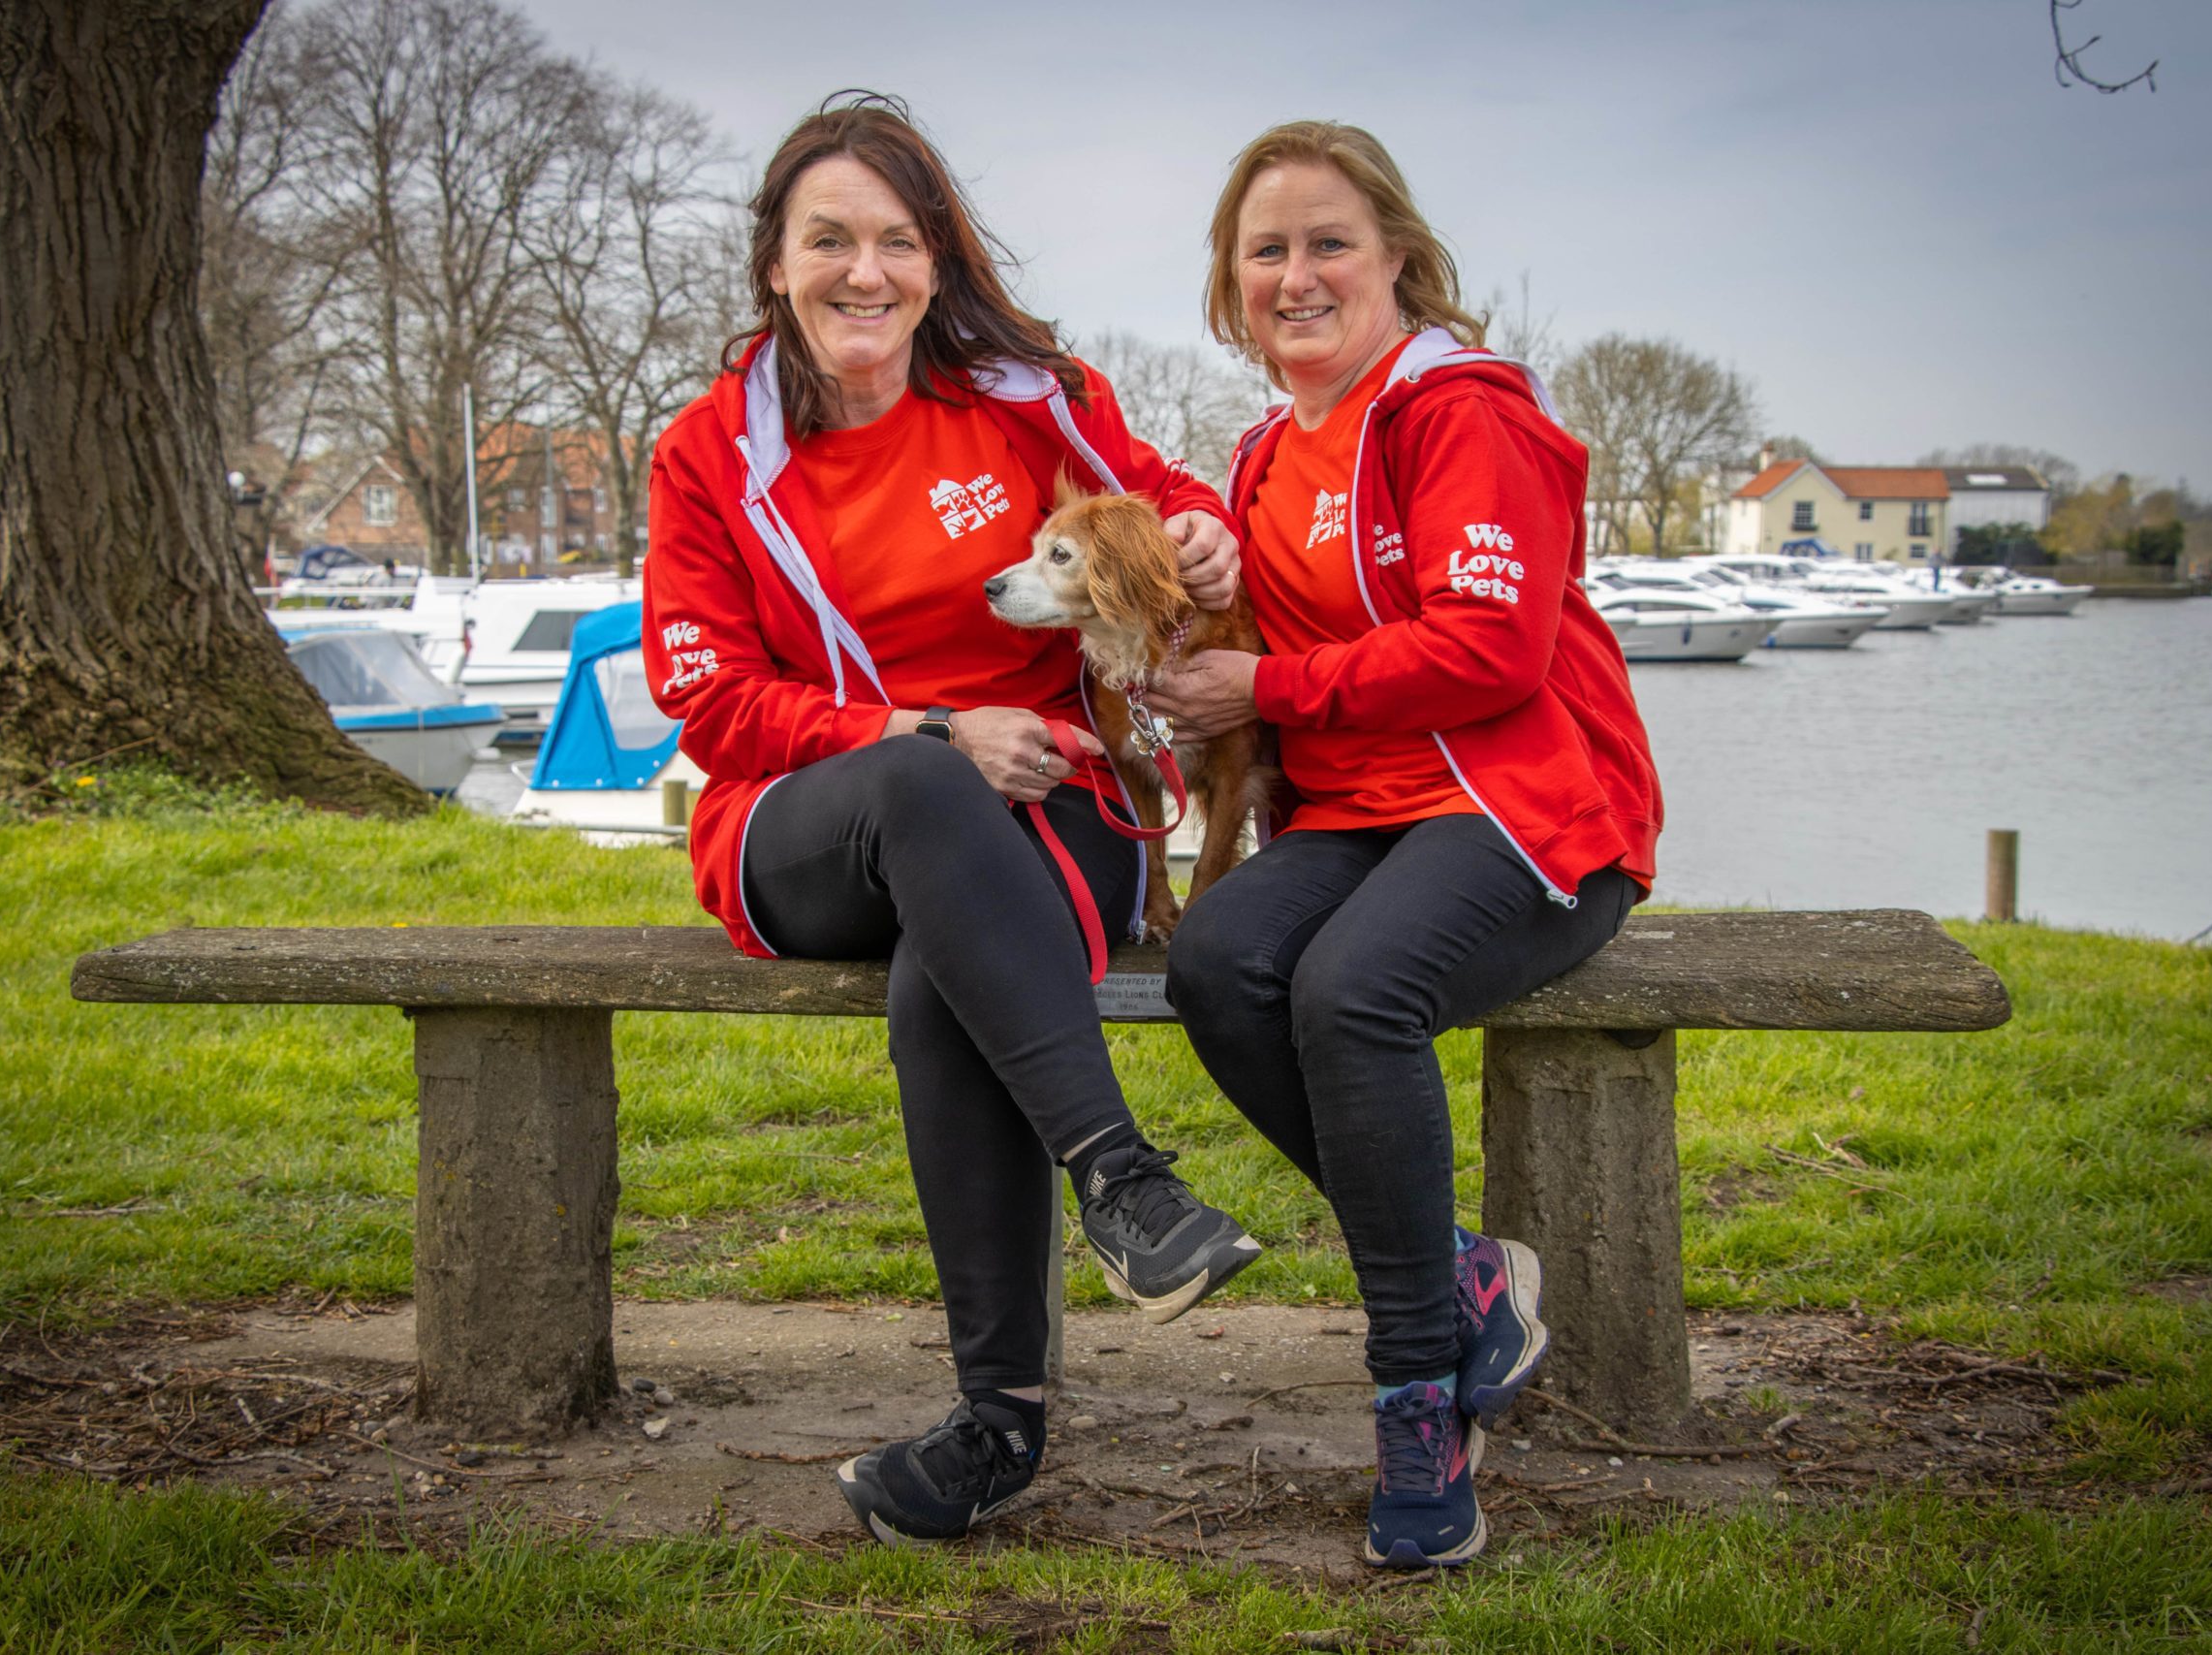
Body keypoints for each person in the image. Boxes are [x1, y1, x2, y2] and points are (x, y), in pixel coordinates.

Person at [641, 94, 1261, 1547]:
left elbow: (1156, 501)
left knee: (953, 969)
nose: (867, 273)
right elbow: (708, 699)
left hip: (1055, 814)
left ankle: (997, 1430)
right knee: (923, 790)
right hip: (813, 821)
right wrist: (925, 729)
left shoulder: (1026, 397)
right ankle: (1124, 1178)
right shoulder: (706, 455)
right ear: (776, 265)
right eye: (830, 241)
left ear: (938, 264)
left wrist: (1199, 527)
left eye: (899, 243)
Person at [1150, 121, 1663, 1569]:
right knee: (1224, 962)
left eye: (1330, 245)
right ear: (1231, 280)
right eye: (1268, 251)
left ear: (1396, 261)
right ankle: (1462, 1284)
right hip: (1363, 810)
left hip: (1529, 806)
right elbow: (1240, 641)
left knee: (1350, 991)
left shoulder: (1462, 412)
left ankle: (1416, 1393)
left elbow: (1494, 653)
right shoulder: (1260, 454)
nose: (1297, 276)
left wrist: (1268, 689)